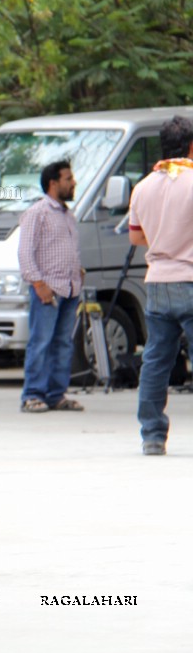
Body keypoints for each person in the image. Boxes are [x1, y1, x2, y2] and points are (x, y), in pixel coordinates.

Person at [129, 116, 193, 455]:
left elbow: (136, 235)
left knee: (155, 361)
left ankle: (152, 436)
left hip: (157, 284)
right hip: (190, 279)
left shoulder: (143, 187)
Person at [18, 160, 84, 413]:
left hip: (69, 288)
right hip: (48, 290)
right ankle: (32, 394)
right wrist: (37, 282)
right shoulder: (38, 212)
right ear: (53, 183)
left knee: (63, 343)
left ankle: (56, 394)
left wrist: (78, 272)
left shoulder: (68, 215)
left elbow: (68, 249)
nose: (73, 182)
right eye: (68, 178)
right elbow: (25, 252)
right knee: (41, 342)